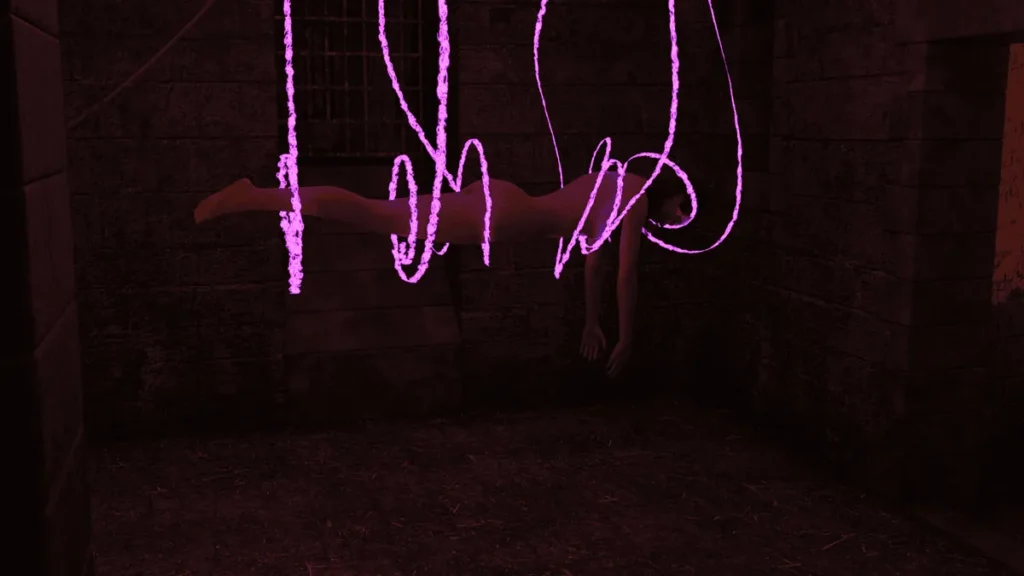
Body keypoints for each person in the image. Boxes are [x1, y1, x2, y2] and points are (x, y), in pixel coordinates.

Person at [194, 171, 689, 377]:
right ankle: (256, 197)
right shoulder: (636, 198)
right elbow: (625, 274)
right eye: (681, 212)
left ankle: (260, 197)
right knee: (377, 212)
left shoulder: (613, 181)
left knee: (381, 212)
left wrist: (591, 321)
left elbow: (595, 263)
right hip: (502, 215)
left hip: (501, 199)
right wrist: (626, 337)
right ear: (670, 195)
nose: (675, 222)